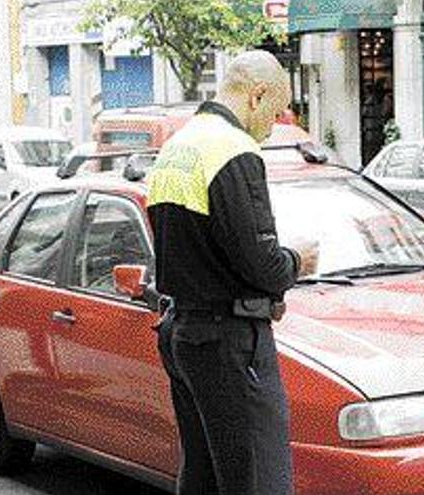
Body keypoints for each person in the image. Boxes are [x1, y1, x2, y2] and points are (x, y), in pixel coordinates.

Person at [146, 50, 316, 495]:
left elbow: (194, 251)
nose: (273, 124)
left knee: (203, 476)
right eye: (275, 112)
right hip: (230, 342)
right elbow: (262, 263)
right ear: (257, 96)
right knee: (259, 481)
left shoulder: (176, 148)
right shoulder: (233, 149)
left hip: (183, 333)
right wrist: (297, 261)